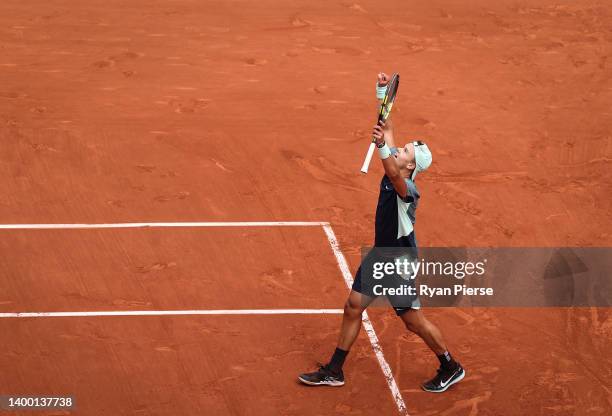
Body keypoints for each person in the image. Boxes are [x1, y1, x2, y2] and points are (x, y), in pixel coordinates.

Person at [298, 73, 465, 393]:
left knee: (412, 321)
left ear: (411, 167)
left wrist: (382, 149)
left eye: (404, 152)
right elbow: (386, 128)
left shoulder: (408, 189)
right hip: (381, 255)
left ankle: (450, 365)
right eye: (400, 149)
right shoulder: (399, 165)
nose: (398, 150)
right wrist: (380, 93)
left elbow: (390, 166)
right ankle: (335, 370)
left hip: (398, 262)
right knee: (353, 307)